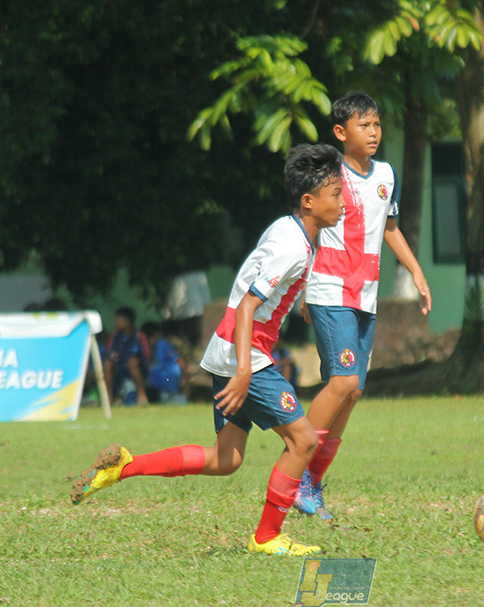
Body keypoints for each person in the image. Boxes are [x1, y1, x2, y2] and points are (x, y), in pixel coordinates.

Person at [70, 143, 345, 556]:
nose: (343, 203)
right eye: (336, 194)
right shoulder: (293, 245)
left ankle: (126, 466)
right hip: (244, 353)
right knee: (303, 441)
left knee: (225, 459)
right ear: (309, 202)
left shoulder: (290, 229)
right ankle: (267, 537)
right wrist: (244, 372)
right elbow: (250, 304)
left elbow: (265, 283)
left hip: (228, 349)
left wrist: (299, 301)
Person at [296, 92, 432, 520]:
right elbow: (310, 229)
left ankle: (313, 481)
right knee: (341, 383)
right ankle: (297, 467)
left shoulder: (386, 175)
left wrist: (415, 270)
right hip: (328, 290)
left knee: (352, 392)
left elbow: (389, 228)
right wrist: (301, 287)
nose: (373, 132)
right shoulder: (328, 174)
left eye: (376, 124)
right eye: (363, 125)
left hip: (365, 295)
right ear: (340, 133)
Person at [104, 306, 150, 406]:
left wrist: (139, 360)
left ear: (127, 321)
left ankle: (142, 396)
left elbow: (146, 356)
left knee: (132, 362)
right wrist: (113, 356)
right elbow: (109, 352)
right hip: (119, 367)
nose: (116, 323)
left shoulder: (139, 336)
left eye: (118, 320)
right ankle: (108, 398)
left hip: (137, 368)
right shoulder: (115, 336)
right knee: (107, 364)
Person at [141, 320, 186, 404]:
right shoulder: (142, 347)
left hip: (167, 379)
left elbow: (179, 361)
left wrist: (184, 380)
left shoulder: (163, 345)